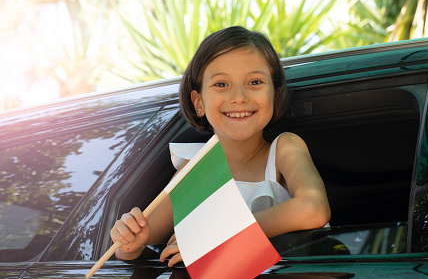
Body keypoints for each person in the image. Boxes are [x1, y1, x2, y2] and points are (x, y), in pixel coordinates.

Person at [110, 26, 331, 266]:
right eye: (221, 84)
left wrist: (223, 236)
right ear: (199, 102)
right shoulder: (193, 170)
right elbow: (139, 241)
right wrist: (129, 243)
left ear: (274, 95)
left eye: (254, 81)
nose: (239, 97)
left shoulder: (284, 149)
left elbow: (313, 208)